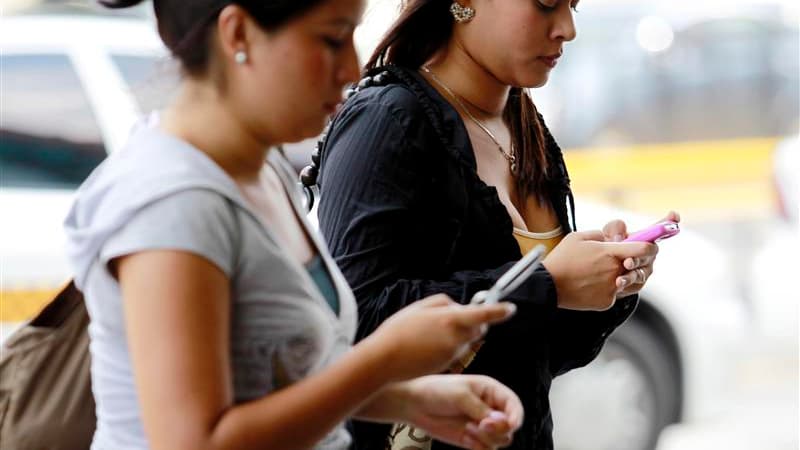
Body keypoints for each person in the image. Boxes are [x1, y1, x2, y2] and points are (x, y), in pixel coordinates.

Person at [63, 1, 527, 449]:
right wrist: (383, 360)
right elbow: (195, 441)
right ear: (238, 34)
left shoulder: (259, 168)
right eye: (332, 38)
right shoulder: (172, 202)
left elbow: (276, 383)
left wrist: (409, 401)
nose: (351, 68)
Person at [312, 1, 678, 449]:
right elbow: (353, 325)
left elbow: (532, 360)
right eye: (546, 4)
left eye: (574, 5)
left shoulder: (523, 125)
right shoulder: (387, 119)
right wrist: (546, 285)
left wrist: (606, 284)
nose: (567, 28)